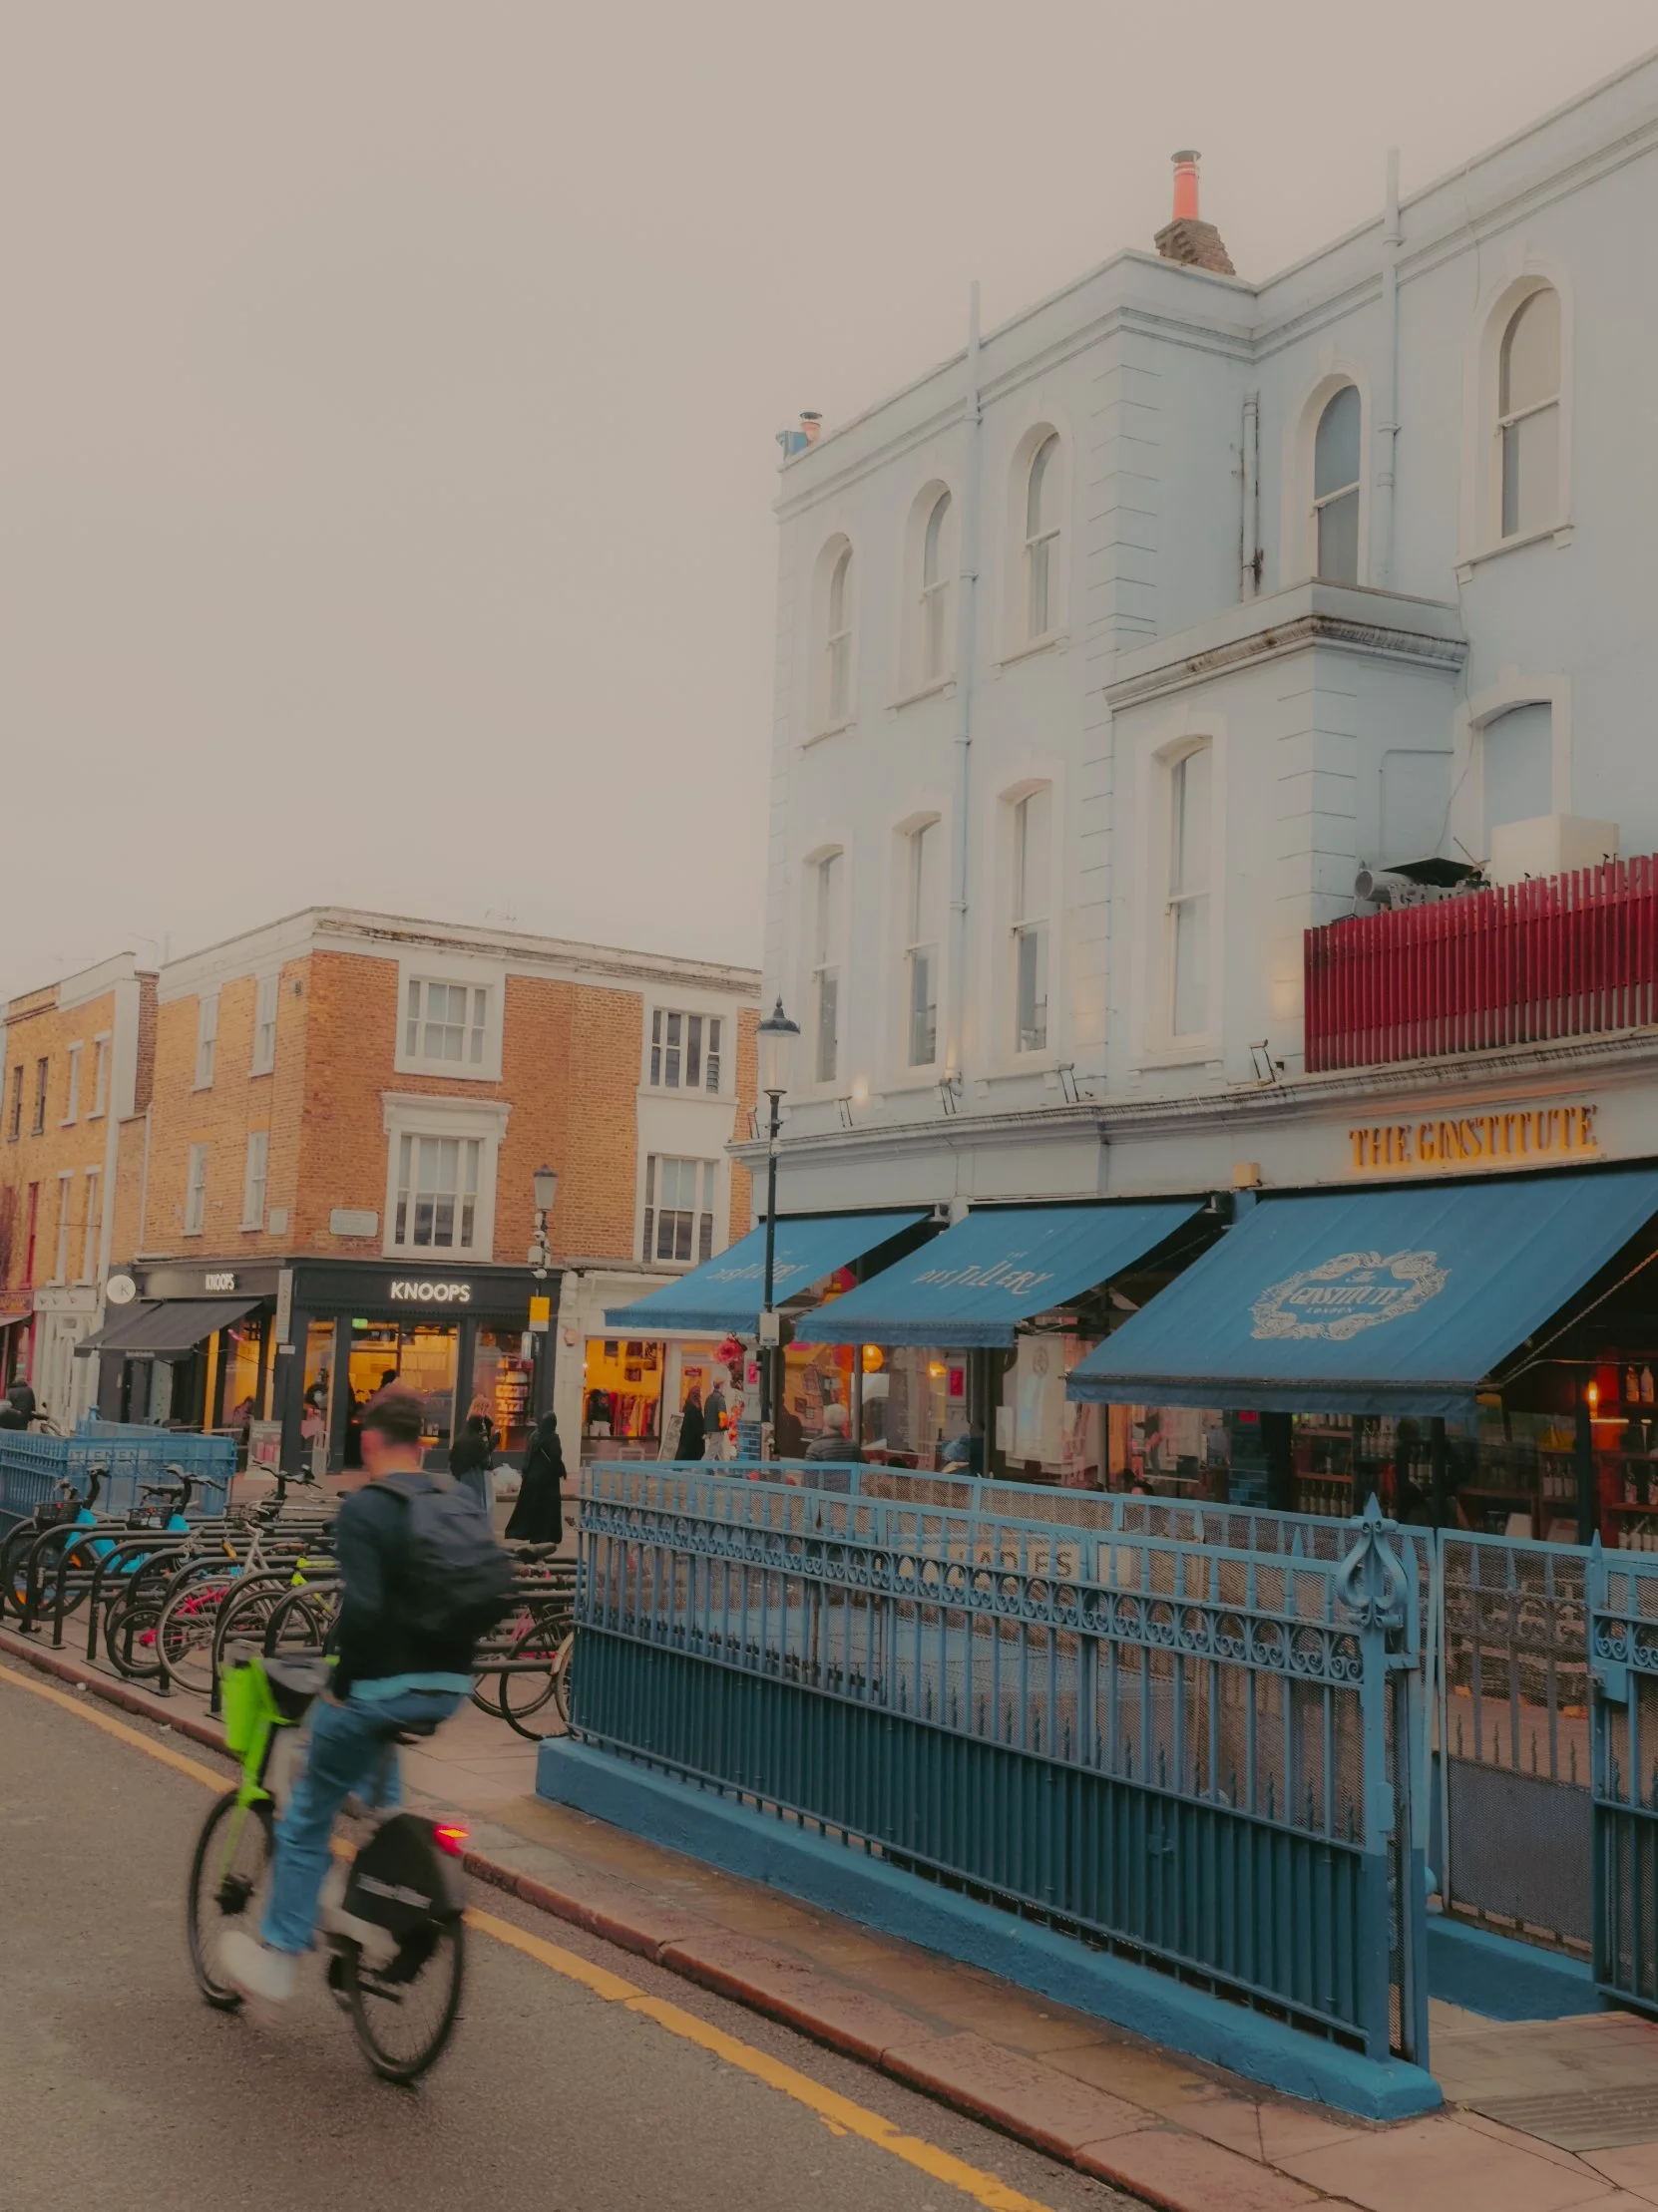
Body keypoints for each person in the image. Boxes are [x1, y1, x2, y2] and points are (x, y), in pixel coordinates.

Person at [218, 1389, 485, 2006]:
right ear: (423, 1444)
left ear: (368, 1442)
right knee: (378, 1793)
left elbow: (361, 1612)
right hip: (446, 1689)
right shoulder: (456, 1500)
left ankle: (281, 1955)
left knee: (309, 1811)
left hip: (381, 1690)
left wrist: (339, 1690)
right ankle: (391, 1893)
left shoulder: (367, 1508)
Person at [505, 1409, 566, 1545]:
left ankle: (526, 1532)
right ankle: (546, 1536)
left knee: (531, 1507)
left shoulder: (534, 1435)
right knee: (546, 1509)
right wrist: (561, 1470)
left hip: (531, 1478)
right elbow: (555, 1457)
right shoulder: (552, 1437)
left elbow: (528, 1456)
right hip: (547, 1480)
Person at [448, 1412, 495, 1518]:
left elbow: (452, 1458)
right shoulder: (476, 1440)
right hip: (474, 1475)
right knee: (475, 1501)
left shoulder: (460, 1438)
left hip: (460, 1475)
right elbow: (484, 1461)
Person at [677, 1387, 706, 1463]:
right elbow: (695, 1423)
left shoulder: (689, 1405)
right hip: (693, 1439)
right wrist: (702, 1433)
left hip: (690, 1439)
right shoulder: (692, 1407)